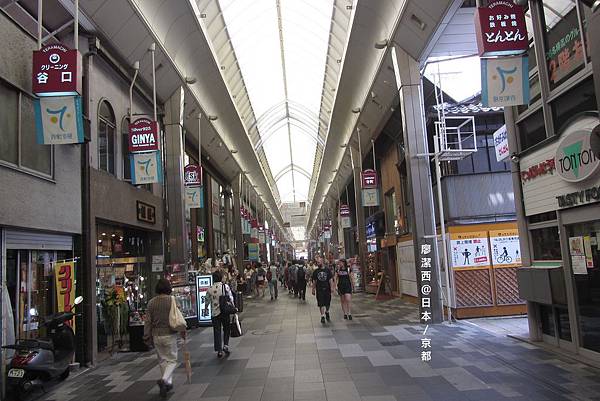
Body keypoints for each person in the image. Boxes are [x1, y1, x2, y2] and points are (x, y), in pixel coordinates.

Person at [144, 279, 187, 397]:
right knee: (172, 359)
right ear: (168, 288)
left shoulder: (151, 303)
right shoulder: (172, 300)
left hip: (156, 335)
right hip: (169, 334)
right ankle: (164, 380)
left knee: (162, 360)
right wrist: (183, 331)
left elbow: (147, 321)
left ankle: (167, 383)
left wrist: (146, 335)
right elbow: (179, 317)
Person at [204, 270, 234, 358]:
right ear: (221, 278)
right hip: (224, 311)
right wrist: (233, 307)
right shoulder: (225, 287)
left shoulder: (210, 288)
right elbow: (230, 297)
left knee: (217, 331)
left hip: (215, 313)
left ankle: (219, 350)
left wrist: (206, 309)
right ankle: (226, 345)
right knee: (226, 328)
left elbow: (207, 300)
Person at [312, 256, 334, 324]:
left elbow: (330, 280)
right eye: (317, 262)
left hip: (327, 289)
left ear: (322, 262)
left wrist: (332, 287)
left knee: (327, 303)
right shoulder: (316, 271)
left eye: (319, 262)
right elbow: (314, 281)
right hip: (319, 289)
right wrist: (313, 289)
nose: (318, 263)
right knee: (321, 303)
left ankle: (327, 311)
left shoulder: (327, 270)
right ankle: (322, 316)